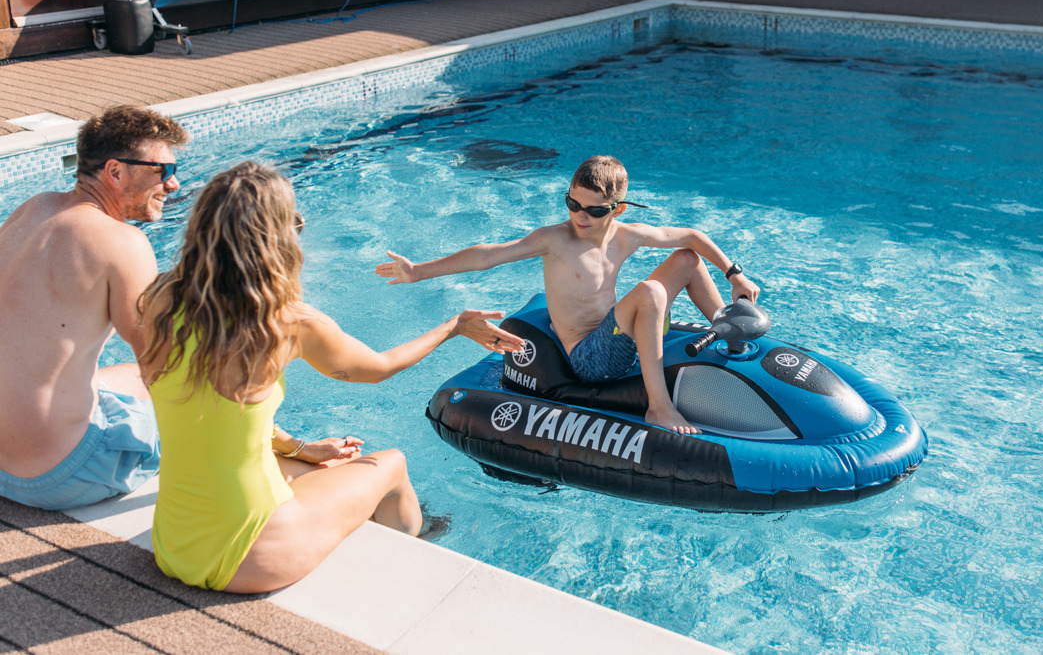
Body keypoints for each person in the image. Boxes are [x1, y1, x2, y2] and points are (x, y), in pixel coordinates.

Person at [138, 161, 523, 593]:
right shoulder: (286, 322)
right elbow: (380, 368)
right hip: (251, 557)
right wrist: (453, 326)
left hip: (173, 545)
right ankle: (417, 555)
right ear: (277, 240)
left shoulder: (158, 299)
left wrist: (299, 449)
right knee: (391, 465)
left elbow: (216, 412)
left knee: (304, 467)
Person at [376, 155, 760, 435]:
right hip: (589, 358)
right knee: (648, 292)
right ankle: (659, 408)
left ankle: (726, 331)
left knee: (687, 260)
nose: (580, 217)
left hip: (617, 337)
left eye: (593, 211)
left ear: (617, 209)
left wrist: (734, 275)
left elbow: (692, 237)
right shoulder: (555, 240)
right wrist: (419, 271)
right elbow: (487, 254)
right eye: (573, 204)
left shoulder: (627, 235)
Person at [0, 105, 188, 510]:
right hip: (58, 474)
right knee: (193, 386)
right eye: (164, 171)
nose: (173, 185)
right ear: (116, 172)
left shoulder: (32, 208)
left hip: (3, 462)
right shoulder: (121, 243)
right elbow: (163, 365)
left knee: (126, 378)